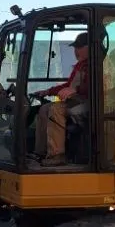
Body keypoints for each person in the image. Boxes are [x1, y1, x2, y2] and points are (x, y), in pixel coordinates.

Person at [32, 32, 89, 167]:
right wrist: (48, 91)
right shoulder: (79, 66)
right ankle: (41, 151)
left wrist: (77, 90)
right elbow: (68, 85)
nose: (75, 51)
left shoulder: (98, 65)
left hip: (91, 104)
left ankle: (57, 155)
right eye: (75, 47)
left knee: (55, 109)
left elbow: (97, 86)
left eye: (79, 47)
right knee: (44, 108)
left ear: (90, 47)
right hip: (76, 102)